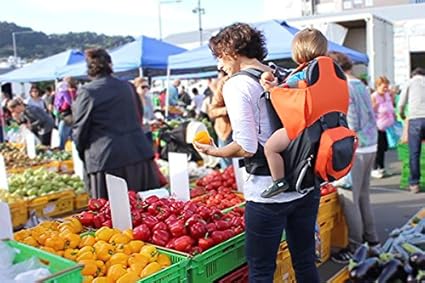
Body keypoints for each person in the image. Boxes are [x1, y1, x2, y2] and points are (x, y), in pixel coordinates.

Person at [194, 22, 320, 283]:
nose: (220, 66)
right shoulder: (282, 73)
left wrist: (214, 152)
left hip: (268, 193)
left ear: (232, 52)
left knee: (261, 270)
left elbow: (247, 147)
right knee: (305, 262)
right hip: (305, 183)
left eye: (219, 57)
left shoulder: (237, 84)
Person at [72, 48, 160, 198]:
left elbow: (80, 130)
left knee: (111, 214)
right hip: (137, 154)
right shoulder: (128, 87)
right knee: (143, 211)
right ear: (110, 65)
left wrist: (84, 153)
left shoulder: (88, 92)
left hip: (106, 160)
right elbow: (138, 117)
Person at [260, 28, 328, 198]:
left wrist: (271, 88)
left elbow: (281, 92)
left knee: (271, 148)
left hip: (302, 126)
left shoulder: (301, 75)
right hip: (322, 125)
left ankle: (279, 181)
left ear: (298, 51)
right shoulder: (327, 71)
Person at [328, 51, 380, 263]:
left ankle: (356, 247)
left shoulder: (345, 88)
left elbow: (353, 122)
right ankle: (373, 242)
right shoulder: (361, 85)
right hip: (371, 145)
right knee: (363, 197)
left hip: (356, 149)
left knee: (349, 198)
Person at [398, 67, 425, 193]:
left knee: (414, 153)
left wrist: (402, 114)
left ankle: (414, 183)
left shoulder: (410, 82)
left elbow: (401, 103)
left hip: (415, 120)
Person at [371, 76, 395, 178]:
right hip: (377, 126)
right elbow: (370, 112)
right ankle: (375, 168)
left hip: (386, 126)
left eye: (387, 87)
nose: (386, 89)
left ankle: (382, 167)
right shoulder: (374, 96)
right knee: (378, 148)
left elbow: (391, 105)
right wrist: (374, 106)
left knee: (384, 147)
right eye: (383, 87)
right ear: (378, 86)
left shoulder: (387, 95)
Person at [208, 73, 233, 168]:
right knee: (228, 166)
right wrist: (229, 110)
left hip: (249, 129)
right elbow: (212, 111)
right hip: (226, 131)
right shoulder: (224, 82)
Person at [133, 77, 155, 145]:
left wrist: (156, 118)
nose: (145, 89)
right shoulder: (132, 100)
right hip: (137, 133)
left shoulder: (148, 99)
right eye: (143, 87)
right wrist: (145, 121)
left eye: (147, 87)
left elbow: (152, 115)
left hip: (148, 130)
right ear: (136, 87)